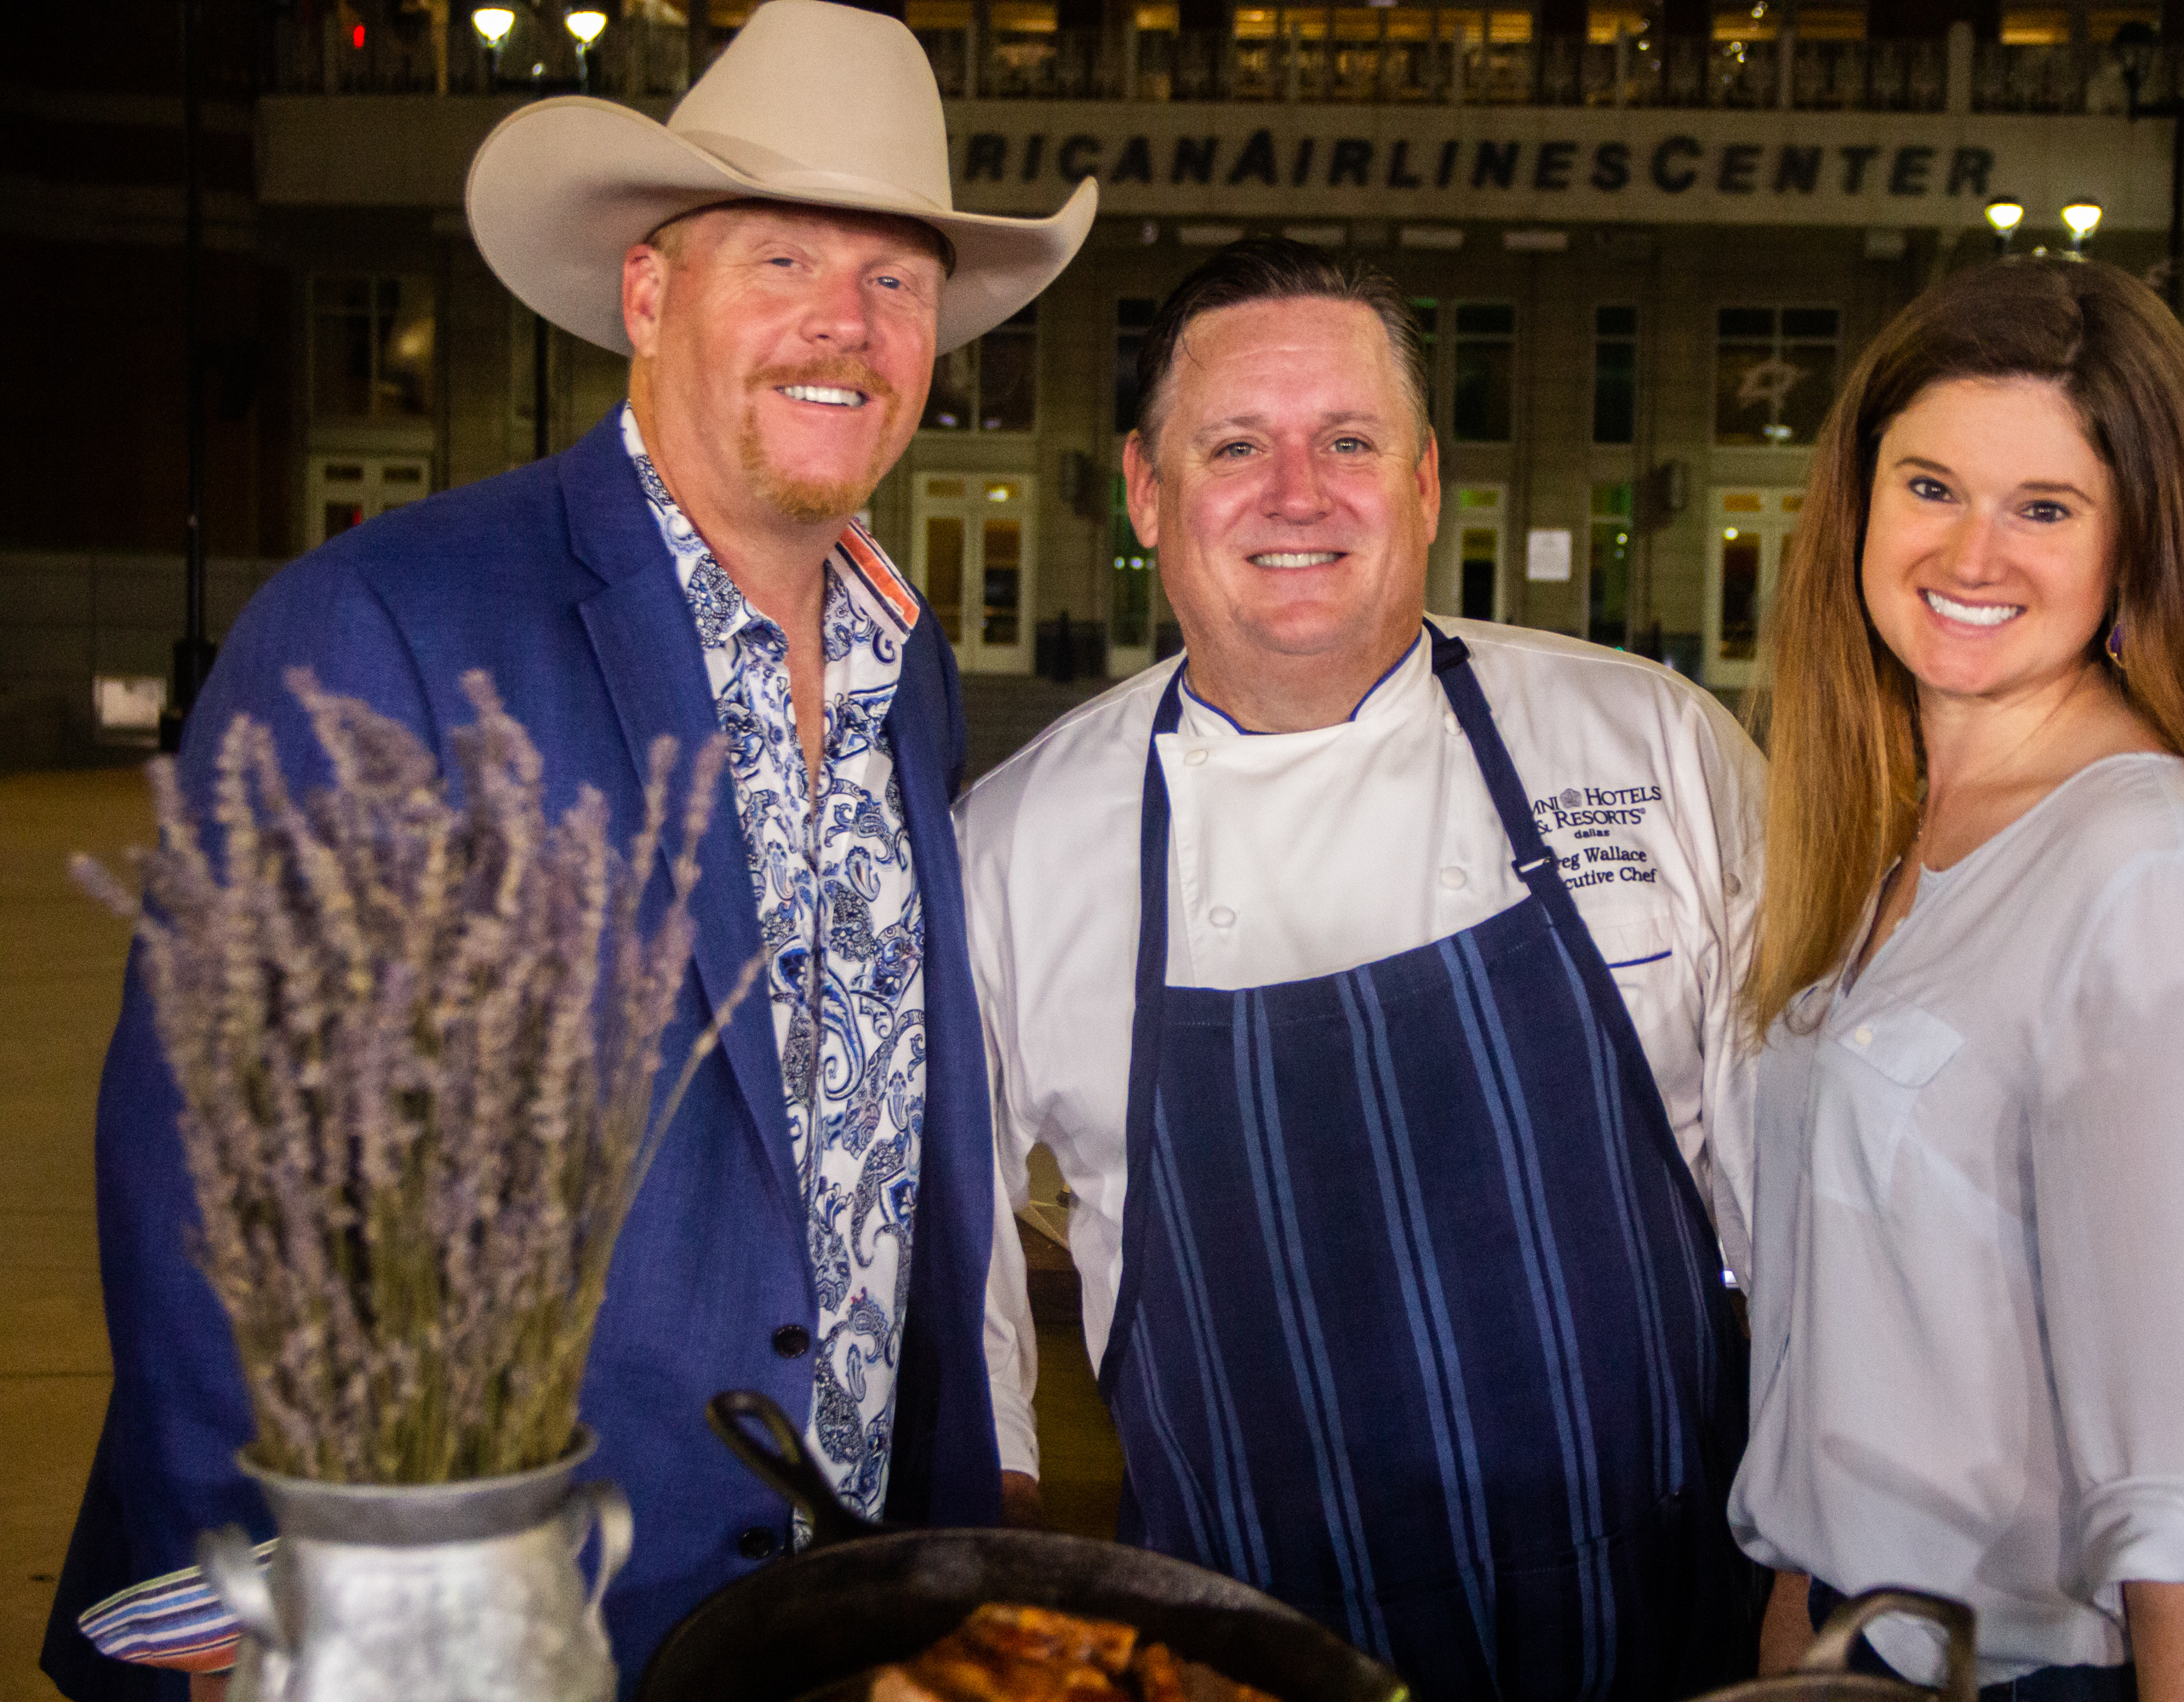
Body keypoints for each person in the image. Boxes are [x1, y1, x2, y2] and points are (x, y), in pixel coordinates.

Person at [42, 6, 1095, 1697]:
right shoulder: (393, 619)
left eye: (896, 280)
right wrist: (244, 1622)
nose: (848, 322)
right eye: (781, 260)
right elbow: (218, 1162)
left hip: (852, 1596)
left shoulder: (913, 678)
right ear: (651, 293)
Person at [959, 237, 1764, 1702]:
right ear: (1148, 492)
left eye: (1348, 440)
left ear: (1423, 481)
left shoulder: (1653, 746)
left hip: (1667, 1618)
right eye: (1235, 446)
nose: (1297, 493)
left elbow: (1797, 1190)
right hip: (1241, 1645)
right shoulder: (1019, 843)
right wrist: (1000, 1521)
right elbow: (955, 1238)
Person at [1727, 256, 2184, 1702]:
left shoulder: (2141, 878)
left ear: (2136, 545)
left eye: (2047, 508)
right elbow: (1845, 1319)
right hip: (1855, 1641)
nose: (1972, 555)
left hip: (2051, 1670)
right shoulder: (1887, 835)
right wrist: (1792, 1617)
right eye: (1931, 487)